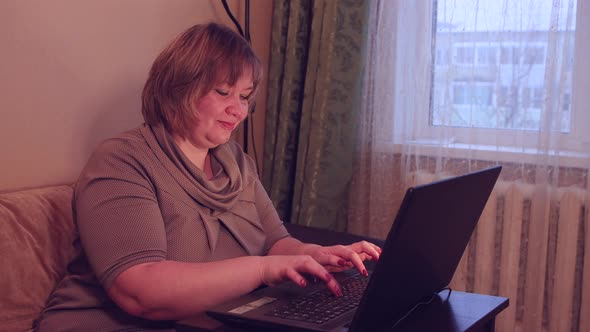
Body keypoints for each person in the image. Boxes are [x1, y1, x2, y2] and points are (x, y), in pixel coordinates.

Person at [37, 22, 381, 331]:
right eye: (223, 92)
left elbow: (275, 241)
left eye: (245, 97)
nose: (239, 110)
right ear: (178, 88)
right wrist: (263, 269)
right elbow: (140, 292)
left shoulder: (235, 161)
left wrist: (312, 255)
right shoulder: (123, 161)